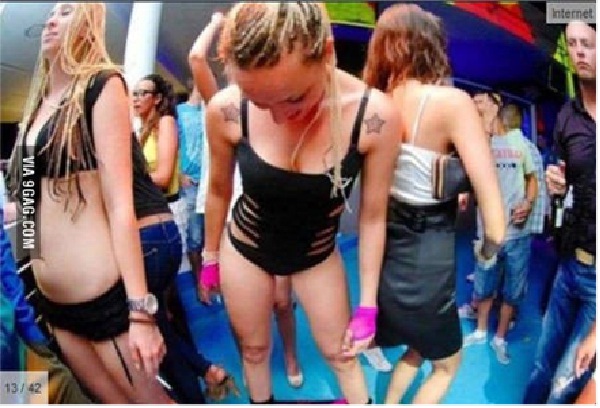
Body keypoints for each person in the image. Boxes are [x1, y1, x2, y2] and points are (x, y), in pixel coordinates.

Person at [199, 2, 400, 404]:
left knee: (342, 356)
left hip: (316, 253)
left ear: (326, 52)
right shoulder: (226, 109)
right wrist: (210, 256)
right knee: (254, 351)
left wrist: (367, 303)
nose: (277, 117)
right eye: (260, 103)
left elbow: (374, 216)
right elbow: (219, 189)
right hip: (246, 247)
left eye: (293, 98)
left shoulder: (373, 116)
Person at [6, 3, 168, 403]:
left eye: (65, 12)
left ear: (87, 24)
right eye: (51, 13)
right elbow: (29, 206)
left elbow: (119, 203)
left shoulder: (102, 85)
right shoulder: (37, 106)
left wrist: (141, 312)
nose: (51, 20)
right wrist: (29, 274)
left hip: (102, 297)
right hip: (53, 302)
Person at [363, 4, 505, 403]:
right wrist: (487, 254)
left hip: (387, 260)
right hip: (430, 266)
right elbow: (495, 225)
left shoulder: (375, 102)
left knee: (417, 346)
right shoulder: (451, 103)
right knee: (448, 365)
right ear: (428, 46)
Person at [191, 11, 304, 389]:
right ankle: (251, 358)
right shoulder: (223, 106)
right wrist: (217, 24)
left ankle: (290, 356)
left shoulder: (278, 104)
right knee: (238, 304)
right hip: (226, 219)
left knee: (282, 300)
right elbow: (196, 58)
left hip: (272, 217)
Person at [523, 20, 596, 404]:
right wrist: (557, 185)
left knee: (564, 386)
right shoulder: (568, 116)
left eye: (589, 43)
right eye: (574, 44)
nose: (581, 52)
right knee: (541, 368)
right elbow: (564, 182)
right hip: (568, 266)